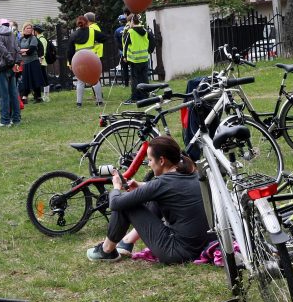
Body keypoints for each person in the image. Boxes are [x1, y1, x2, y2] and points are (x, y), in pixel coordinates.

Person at [86, 136, 214, 263]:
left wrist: (116, 187)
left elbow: (115, 204)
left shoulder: (161, 184)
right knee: (153, 198)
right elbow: (173, 189)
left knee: (125, 202)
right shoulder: (193, 173)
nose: (149, 164)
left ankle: (106, 250)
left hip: (178, 252)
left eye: (150, 160)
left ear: (162, 160)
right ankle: (127, 241)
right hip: (205, 244)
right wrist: (142, 185)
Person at [0, 15, 20, 127]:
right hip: (10, 67)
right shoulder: (10, 32)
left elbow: (2, 50)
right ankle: (16, 119)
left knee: (2, 95)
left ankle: (5, 121)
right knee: (13, 94)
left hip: (1, 67)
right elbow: (16, 47)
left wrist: (9, 60)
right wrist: (16, 61)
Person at [67, 15, 103, 107]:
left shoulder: (73, 35)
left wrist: (70, 62)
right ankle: (99, 101)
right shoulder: (92, 31)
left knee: (80, 81)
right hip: (91, 59)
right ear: (87, 22)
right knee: (95, 80)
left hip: (78, 60)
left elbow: (70, 51)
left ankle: (79, 103)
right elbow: (104, 38)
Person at [123, 14, 155, 102]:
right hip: (144, 58)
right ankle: (145, 96)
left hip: (134, 59)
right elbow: (152, 41)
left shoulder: (130, 32)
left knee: (135, 79)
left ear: (132, 22)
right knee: (144, 77)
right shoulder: (145, 30)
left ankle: (135, 97)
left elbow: (125, 45)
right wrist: (149, 51)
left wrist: (124, 56)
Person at [17, 23, 45, 104]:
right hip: (25, 63)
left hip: (33, 61)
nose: (29, 29)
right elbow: (18, 50)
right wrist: (24, 51)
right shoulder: (21, 39)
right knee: (26, 80)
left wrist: (23, 51)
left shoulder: (33, 38)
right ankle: (24, 97)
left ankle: (38, 97)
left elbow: (31, 50)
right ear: (24, 29)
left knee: (35, 79)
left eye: (31, 28)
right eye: (28, 28)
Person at [34, 23, 52, 102]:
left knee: (44, 79)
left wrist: (40, 60)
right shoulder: (40, 38)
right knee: (43, 79)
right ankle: (42, 95)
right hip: (41, 62)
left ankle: (46, 95)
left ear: (36, 31)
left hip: (41, 62)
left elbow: (43, 51)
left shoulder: (41, 39)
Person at [114, 11, 130, 87]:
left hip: (122, 52)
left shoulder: (117, 31)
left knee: (125, 69)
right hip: (131, 52)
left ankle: (126, 83)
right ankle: (134, 82)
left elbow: (117, 43)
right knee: (133, 68)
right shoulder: (129, 28)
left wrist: (123, 49)